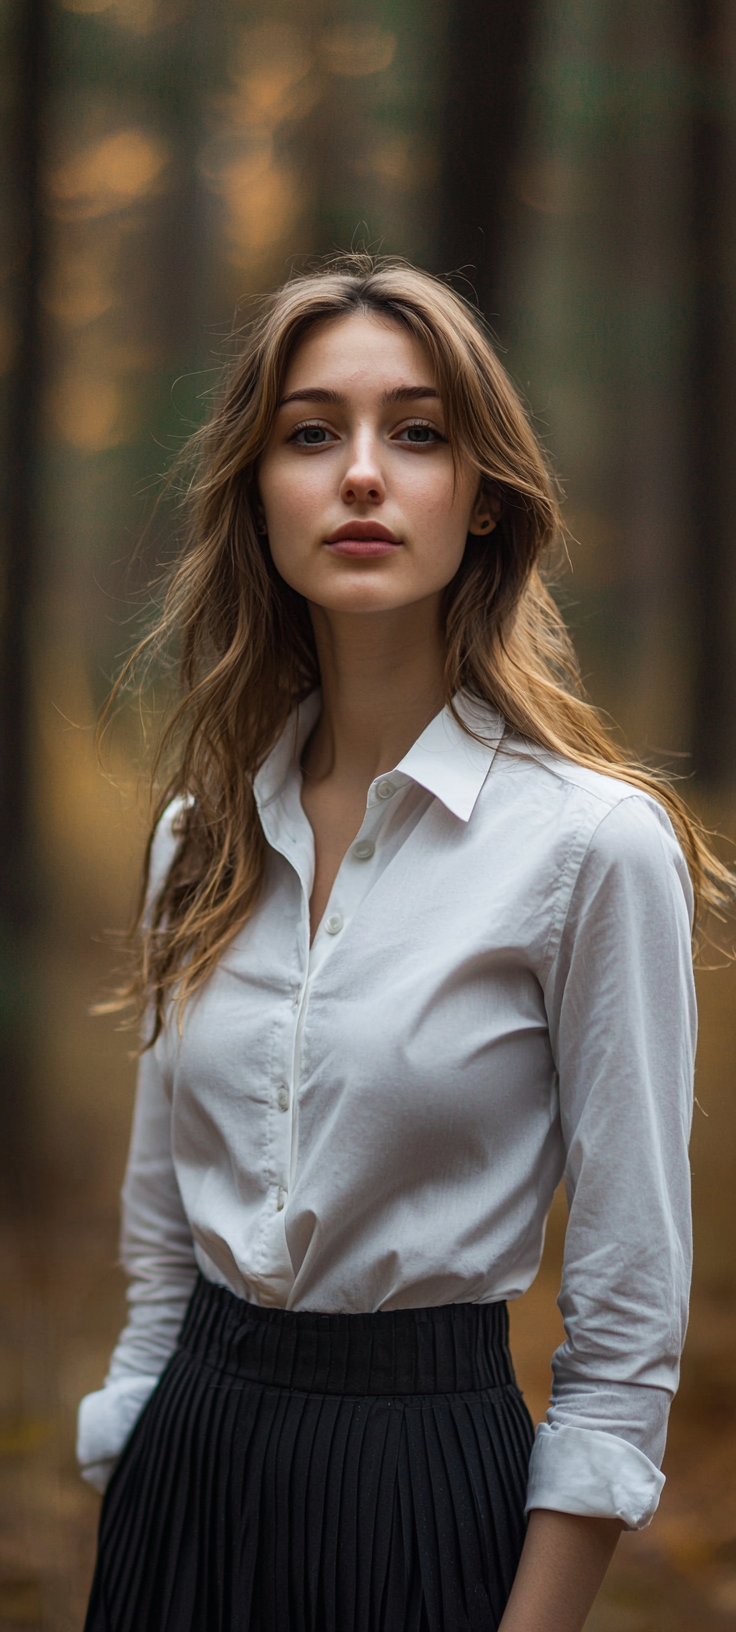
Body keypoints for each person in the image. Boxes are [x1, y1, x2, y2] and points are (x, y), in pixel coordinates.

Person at [77, 255, 726, 1632]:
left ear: (482, 495)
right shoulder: (201, 834)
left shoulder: (591, 850)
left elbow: (623, 1336)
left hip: (427, 1501)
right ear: (259, 494)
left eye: (416, 433)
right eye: (312, 434)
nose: (362, 473)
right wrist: (136, 1467)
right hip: (183, 1489)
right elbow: (159, 1242)